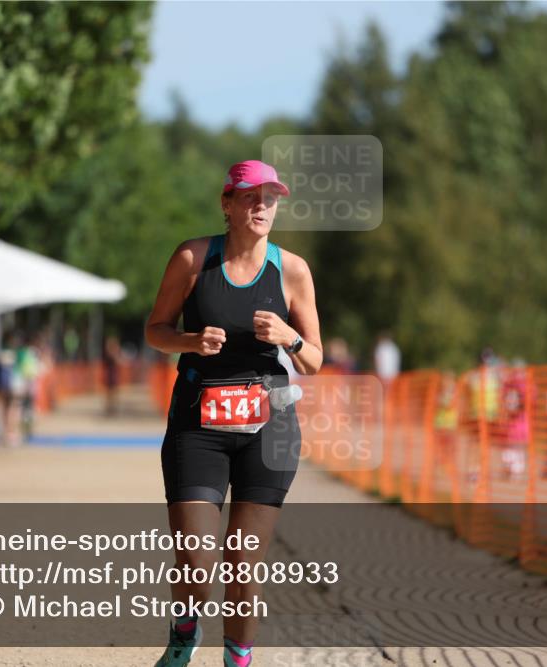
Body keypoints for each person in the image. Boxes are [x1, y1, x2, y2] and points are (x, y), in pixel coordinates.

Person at [145, 159, 323, 667]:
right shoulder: (192, 258)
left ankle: (237, 658)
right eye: (250, 196)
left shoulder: (292, 270)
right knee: (196, 560)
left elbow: (313, 359)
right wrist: (190, 340)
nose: (262, 206)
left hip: (270, 429)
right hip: (197, 427)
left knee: (243, 563)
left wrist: (290, 338)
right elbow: (155, 330)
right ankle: (184, 632)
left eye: (270, 197)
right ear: (227, 203)